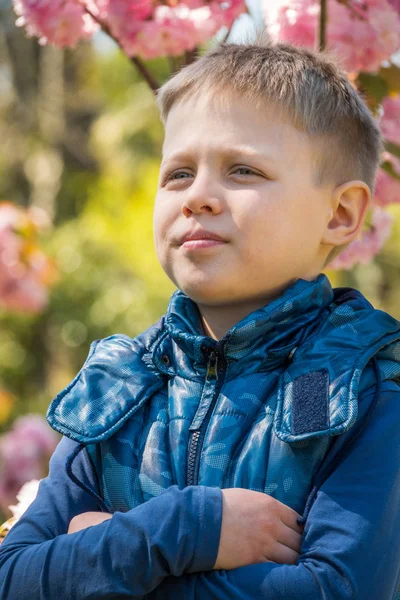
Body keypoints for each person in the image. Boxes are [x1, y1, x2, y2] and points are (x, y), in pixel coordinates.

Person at [1, 38, 400, 600]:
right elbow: (13, 579)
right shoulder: (120, 390)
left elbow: (335, 590)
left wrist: (103, 555)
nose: (198, 198)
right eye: (178, 174)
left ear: (339, 213)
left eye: (242, 170)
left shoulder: (356, 392)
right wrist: (187, 529)